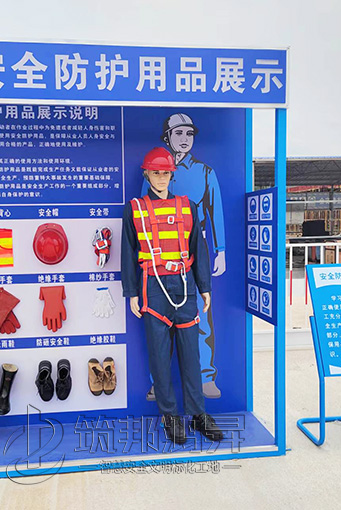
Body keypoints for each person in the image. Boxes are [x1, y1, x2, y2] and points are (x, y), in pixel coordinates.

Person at [122, 147, 223, 444]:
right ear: (146, 174)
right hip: (152, 287)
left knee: (191, 354)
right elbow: (128, 252)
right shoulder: (135, 209)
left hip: (184, 285)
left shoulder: (188, 206)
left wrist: (204, 287)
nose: (161, 178)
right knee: (159, 356)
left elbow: (199, 250)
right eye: (156, 172)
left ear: (172, 175)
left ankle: (198, 414)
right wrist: (131, 293)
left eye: (166, 173)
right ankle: (169, 416)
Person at [141, 113, 226, 399]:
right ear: (167, 137)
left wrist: (221, 251)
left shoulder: (205, 172)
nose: (185, 139)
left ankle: (206, 377)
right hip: (158, 256)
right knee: (159, 324)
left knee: (200, 316)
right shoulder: (154, 171)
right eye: (178, 133)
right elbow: (142, 214)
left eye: (189, 134)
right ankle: (158, 382)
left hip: (193, 248)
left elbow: (215, 212)